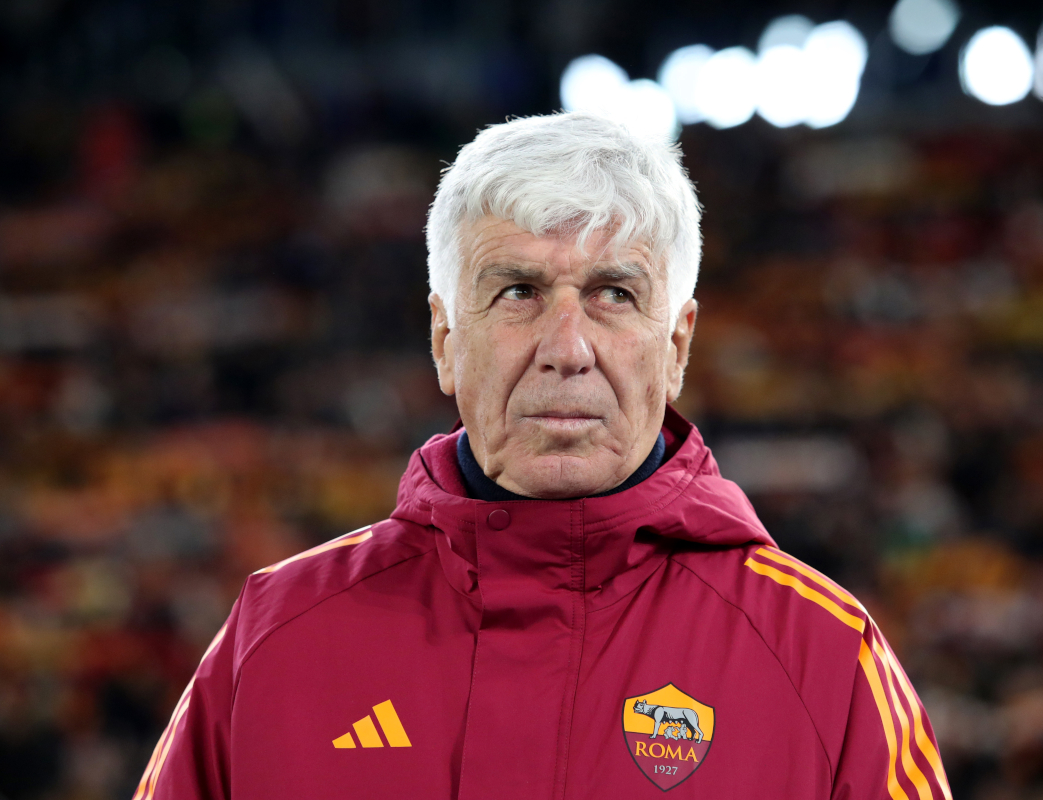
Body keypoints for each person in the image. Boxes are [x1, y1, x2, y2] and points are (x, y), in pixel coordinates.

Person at [134, 112, 951, 800]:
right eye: (518, 292)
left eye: (614, 294)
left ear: (676, 346)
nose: (568, 348)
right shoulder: (275, 637)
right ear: (446, 339)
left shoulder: (823, 656)